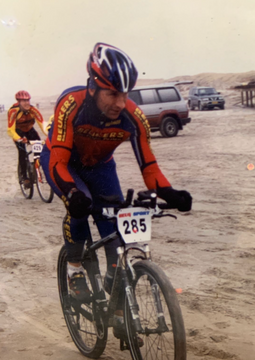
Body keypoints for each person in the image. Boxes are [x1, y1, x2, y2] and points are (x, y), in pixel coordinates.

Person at [40, 42, 192, 342]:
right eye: (113, 93)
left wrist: (169, 192)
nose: (121, 103)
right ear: (93, 87)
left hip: (101, 167)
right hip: (63, 161)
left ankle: (121, 312)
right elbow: (58, 160)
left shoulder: (132, 116)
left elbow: (148, 165)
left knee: (117, 232)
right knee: (79, 207)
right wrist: (71, 192)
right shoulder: (71, 104)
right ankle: (74, 270)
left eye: (125, 94)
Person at [8, 90, 46, 186]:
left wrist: (50, 135)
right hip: (18, 132)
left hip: (29, 130)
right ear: (19, 102)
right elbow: (10, 130)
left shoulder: (33, 110)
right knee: (22, 153)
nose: (27, 103)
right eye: (24, 101)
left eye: (28, 100)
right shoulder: (13, 111)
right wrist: (19, 139)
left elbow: (42, 124)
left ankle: (36, 165)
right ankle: (25, 177)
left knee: (39, 146)